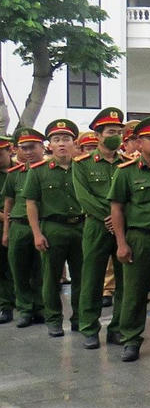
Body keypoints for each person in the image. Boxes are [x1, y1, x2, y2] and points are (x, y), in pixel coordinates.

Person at [107, 117, 150, 363]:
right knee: (134, 292)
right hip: (140, 237)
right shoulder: (126, 172)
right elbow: (117, 209)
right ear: (139, 142)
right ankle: (131, 339)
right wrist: (121, 243)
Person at [25, 119, 88, 338]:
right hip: (53, 228)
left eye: (66, 139)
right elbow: (31, 203)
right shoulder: (38, 171)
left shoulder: (83, 168)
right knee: (51, 278)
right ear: (49, 145)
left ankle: (80, 318)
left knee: (82, 277)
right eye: (57, 139)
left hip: (81, 227)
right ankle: (53, 319)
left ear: (74, 143)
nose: (62, 143)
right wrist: (36, 233)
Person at [72, 107, 126, 348]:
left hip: (123, 229)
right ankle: (89, 327)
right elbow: (84, 196)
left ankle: (118, 328)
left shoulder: (127, 163)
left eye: (119, 132)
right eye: (111, 132)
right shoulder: (83, 164)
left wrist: (119, 218)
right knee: (92, 278)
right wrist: (109, 216)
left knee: (125, 280)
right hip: (97, 226)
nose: (116, 136)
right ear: (98, 135)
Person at [5, 128, 47, 328]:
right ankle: (25, 309)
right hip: (19, 226)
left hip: (42, 226)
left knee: (42, 271)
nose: (28, 152)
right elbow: (9, 203)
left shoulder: (50, 171)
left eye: (32, 147)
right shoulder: (14, 175)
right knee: (19, 271)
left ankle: (40, 307)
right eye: (24, 148)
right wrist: (6, 232)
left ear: (42, 147)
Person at [0, 137, 12, 325]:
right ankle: (5, 305)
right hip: (2, 222)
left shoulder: (23, 169)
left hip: (24, 222)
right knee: (2, 268)